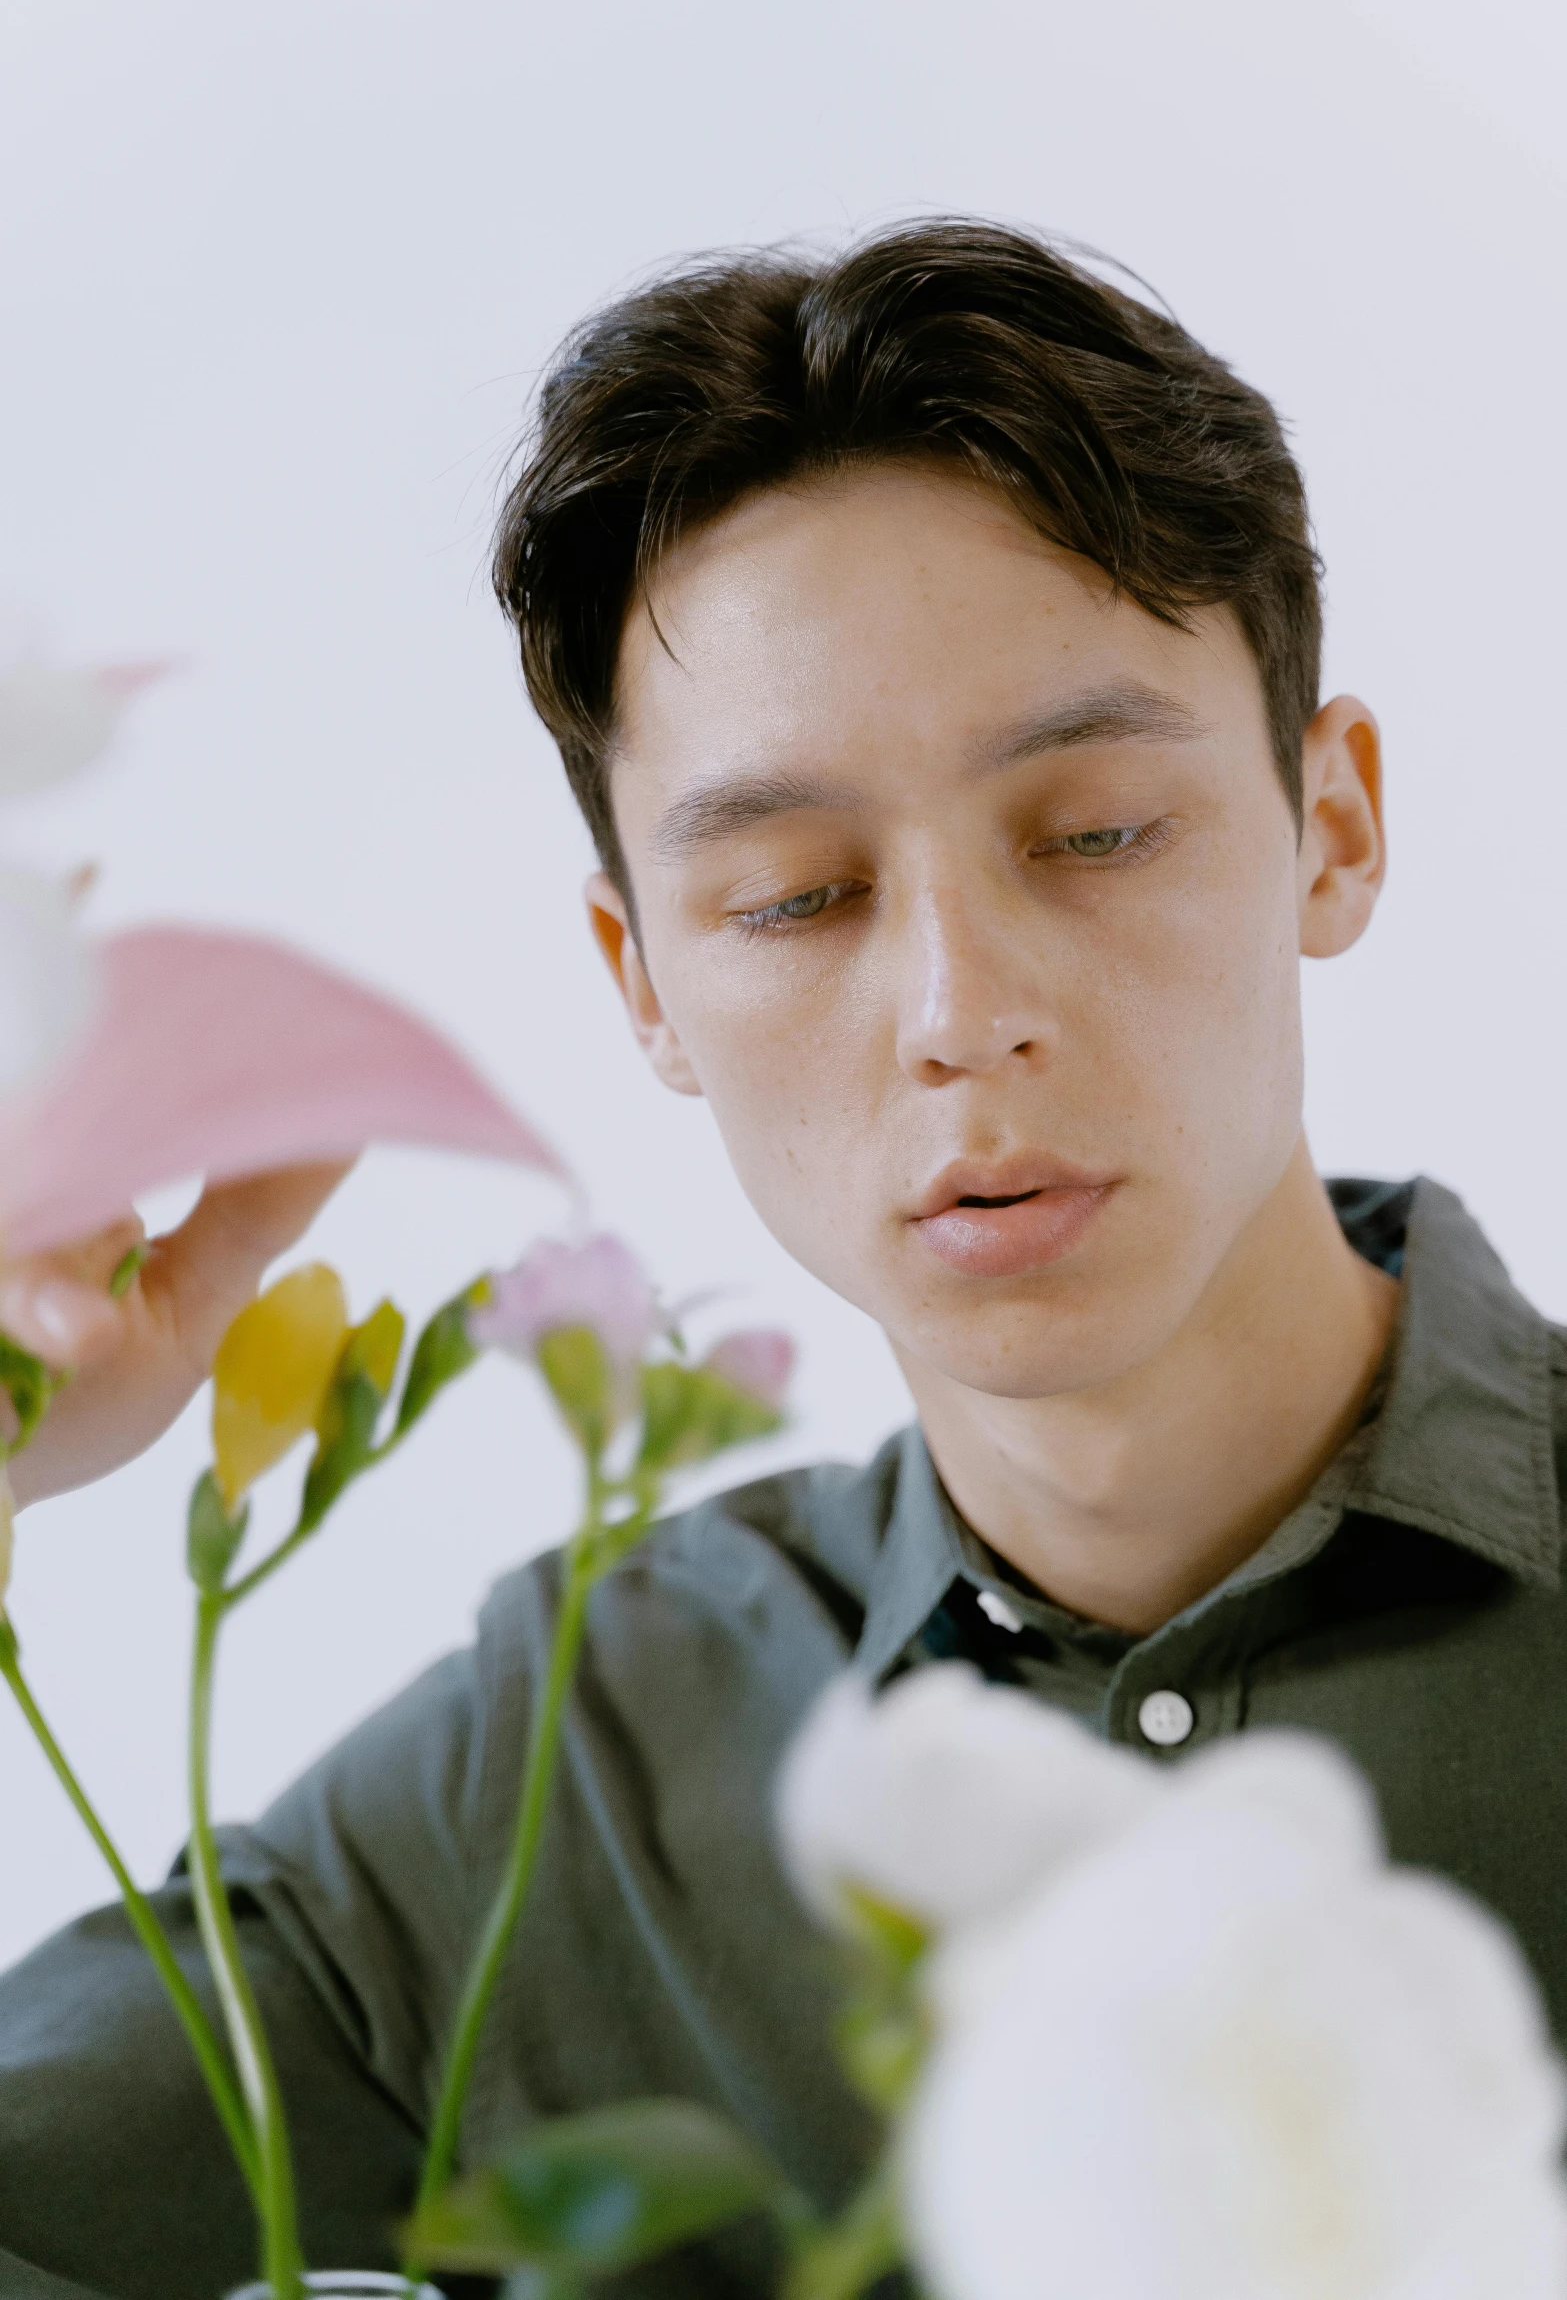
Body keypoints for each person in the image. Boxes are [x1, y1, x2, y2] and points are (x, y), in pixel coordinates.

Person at [2, 220, 1561, 2300]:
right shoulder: (570, 1756)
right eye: (798, 895)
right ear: (640, 978)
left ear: (1333, 822)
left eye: (1095, 829)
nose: (957, 1003)